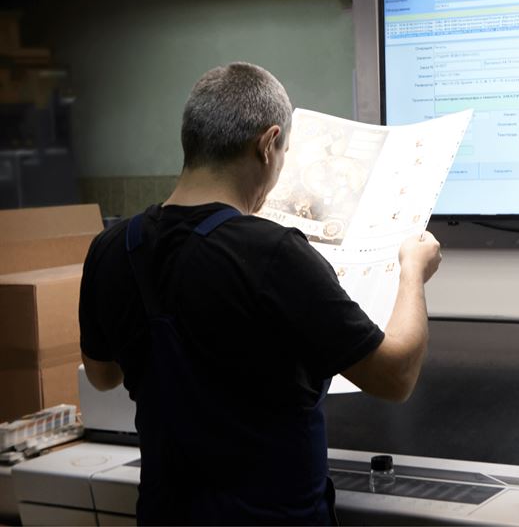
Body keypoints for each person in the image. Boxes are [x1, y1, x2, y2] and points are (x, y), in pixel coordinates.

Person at [78, 62, 442, 525]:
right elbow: (395, 377)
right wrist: (412, 271)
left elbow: (103, 375)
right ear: (268, 144)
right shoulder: (273, 253)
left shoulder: (111, 248)